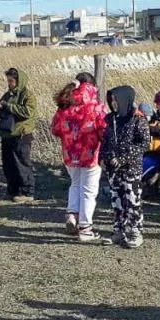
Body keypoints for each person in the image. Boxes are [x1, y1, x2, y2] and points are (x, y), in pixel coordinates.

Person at [52, 80, 108, 242]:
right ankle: (85, 228)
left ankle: (72, 214)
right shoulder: (96, 106)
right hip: (91, 154)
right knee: (89, 192)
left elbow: (55, 129)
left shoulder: (65, 106)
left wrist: (69, 136)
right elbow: (104, 129)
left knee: (75, 184)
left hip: (70, 155)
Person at [102, 86, 150, 248]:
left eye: (116, 100)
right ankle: (118, 231)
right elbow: (105, 141)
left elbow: (144, 144)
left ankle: (135, 232)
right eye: (111, 100)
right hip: (113, 168)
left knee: (132, 200)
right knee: (116, 200)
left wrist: (123, 159)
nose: (113, 103)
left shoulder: (138, 119)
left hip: (131, 167)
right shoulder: (110, 119)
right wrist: (103, 157)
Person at [0, 67, 37, 202]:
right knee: (8, 164)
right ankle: (12, 190)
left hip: (21, 134)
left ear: (19, 81)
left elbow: (28, 112)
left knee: (22, 163)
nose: (9, 83)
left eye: (12, 81)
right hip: (7, 134)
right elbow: (3, 109)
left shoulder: (28, 95)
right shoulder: (8, 94)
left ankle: (26, 192)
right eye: (8, 81)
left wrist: (9, 106)